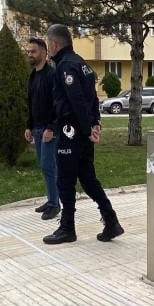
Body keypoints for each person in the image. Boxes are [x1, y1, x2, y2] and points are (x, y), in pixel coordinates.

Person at [41, 24, 123, 245]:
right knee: (87, 178)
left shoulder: (66, 66)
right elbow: (93, 98)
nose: (48, 48)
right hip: (83, 131)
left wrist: (88, 130)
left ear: (54, 44)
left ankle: (67, 228)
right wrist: (95, 124)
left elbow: (76, 100)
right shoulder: (82, 64)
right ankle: (111, 221)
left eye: (48, 43)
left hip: (71, 131)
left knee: (64, 180)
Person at [24, 38, 60, 221]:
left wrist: (51, 128)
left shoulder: (52, 75)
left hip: (49, 131)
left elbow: (58, 104)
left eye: (33, 51)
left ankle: (55, 204)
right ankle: (51, 199)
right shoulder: (33, 76)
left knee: (49, 166)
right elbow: (31, 104)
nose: (30, 54)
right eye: (28, 52)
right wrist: (29, 126)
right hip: (37, 129)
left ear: (44, 53)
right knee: (45, 167)